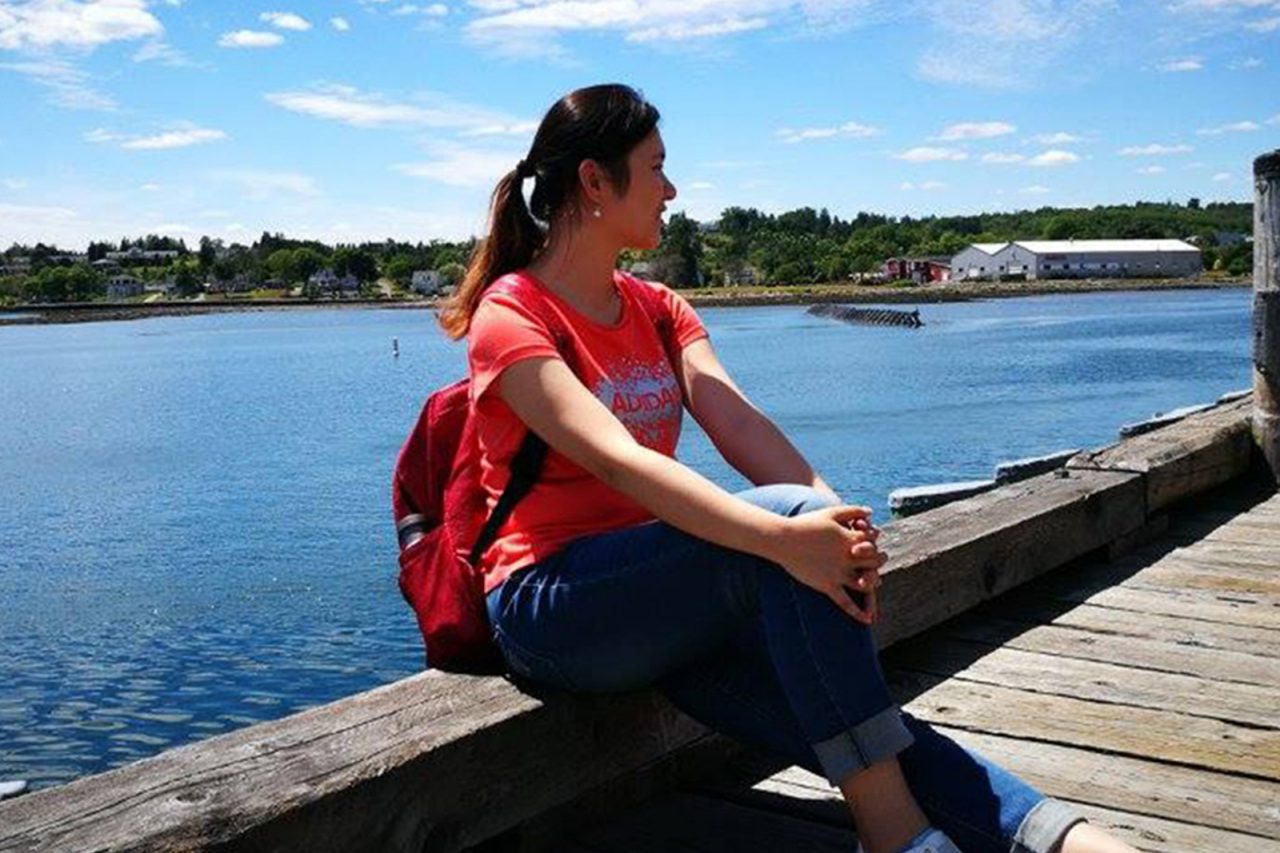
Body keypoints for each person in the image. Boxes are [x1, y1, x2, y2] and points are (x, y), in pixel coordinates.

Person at [437, 84, 1137, 853]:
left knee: (872, 729)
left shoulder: (658, 307)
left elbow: (738, 422)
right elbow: (623, 462)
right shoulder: (514, 314)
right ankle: (894, 836)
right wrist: (790, 533)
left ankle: (1061, 837)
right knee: (793, 547)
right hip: (554, 608)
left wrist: (839, 522)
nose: (672, 191)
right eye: (657, 168)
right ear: (595, 183)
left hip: (661, 608)